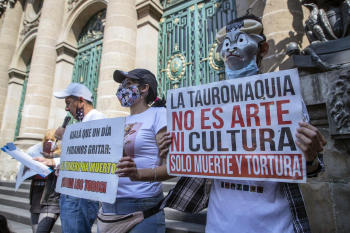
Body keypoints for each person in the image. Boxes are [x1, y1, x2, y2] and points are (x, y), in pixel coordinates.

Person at [159, 15, 326, 233]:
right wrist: (176, 150)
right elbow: (195, 163)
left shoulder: (285, 99)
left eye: (240, 41)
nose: (230, 50)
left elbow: (313, 168)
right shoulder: (207, 107)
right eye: (225, 44)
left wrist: (311, 157)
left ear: (263, 48)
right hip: (219, 225)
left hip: (277, 227)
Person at [98, 69, 171, 233]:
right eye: (122, 84)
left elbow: (173, 167)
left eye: (128, 83)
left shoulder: (159, 114)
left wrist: (138, 173)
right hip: (109, 208)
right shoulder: (119, 122)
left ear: (144, 88)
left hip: (142, 207)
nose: (122, 88)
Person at [35, 83, 105, 233]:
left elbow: (92, 151)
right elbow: (76, 155)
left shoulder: (96, 117)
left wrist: (66, 135)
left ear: (81, 101)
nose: (66, 108)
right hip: (71, 191)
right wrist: (52, 161)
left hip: (80, 195)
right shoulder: (83, 122)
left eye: (68, 103)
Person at [27, 129, 61, 233]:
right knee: (35, 230)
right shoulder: (36, 155)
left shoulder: (59, 158)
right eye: (47, 139)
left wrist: (51, 162)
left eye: (52, 140)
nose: (49, 142)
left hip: (51, 201)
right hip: (36, 199)